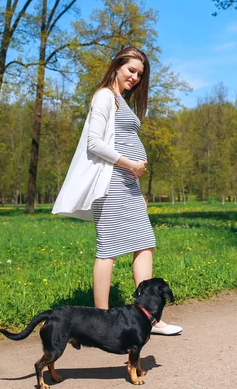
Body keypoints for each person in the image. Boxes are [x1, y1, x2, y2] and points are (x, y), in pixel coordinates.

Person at [52, 46, 182, 335]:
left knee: (145, 242)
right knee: (108, 250)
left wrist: (137, 185)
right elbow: (94, 143)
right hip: (110, 183)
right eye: (131, 70)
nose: (135, 77)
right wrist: (131, 165)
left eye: (140, 74)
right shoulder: (104, 97)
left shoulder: (122, 101)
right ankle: (99, 321)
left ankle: (149, 318)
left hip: (128, 184)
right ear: (117, 66)